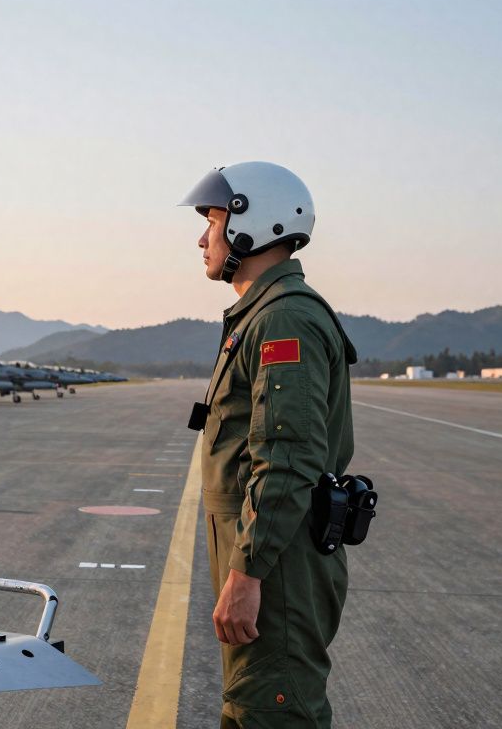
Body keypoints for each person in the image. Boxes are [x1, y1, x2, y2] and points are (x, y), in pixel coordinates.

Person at [179, 162, 358, 728]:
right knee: (250, 709)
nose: (201, 238)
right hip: (264, 556)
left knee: (273, 711)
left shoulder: (284, 320)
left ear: (247, 224)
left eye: (211, 220)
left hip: (276, 564)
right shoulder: (261, 314)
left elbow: (287, 458)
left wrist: (247, 574)